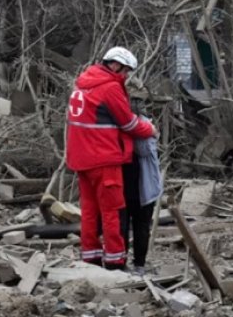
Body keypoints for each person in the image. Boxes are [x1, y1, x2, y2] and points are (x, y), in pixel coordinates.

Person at [65, 47, 157, 270]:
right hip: (104, 158)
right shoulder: (109, 88)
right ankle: (116, 261)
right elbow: (129, 123)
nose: (125, 76)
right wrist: (150, 129)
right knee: (112, 211)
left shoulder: (83, 83)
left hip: (80, 158)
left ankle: (91, 257)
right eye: (125, 71)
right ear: (115, 65)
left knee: (89, 211)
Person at [121, 109, 163, 275]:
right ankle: (127, 263)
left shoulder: (141, 125)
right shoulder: (145, 125)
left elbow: (143, 149)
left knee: (136, 226)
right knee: (130, 226)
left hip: (142, 185)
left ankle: (137, 264)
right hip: (131, 185)